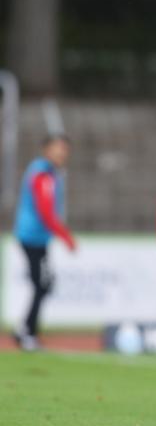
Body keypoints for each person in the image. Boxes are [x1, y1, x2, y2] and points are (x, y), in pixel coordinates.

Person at [12, 134, 77, 351]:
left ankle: (26, 329)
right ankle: (27, 332)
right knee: (42, 284)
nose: (62, 153)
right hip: (32, 237)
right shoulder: (43, 174)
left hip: (37, 237)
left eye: (65, 149)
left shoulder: (47, 172)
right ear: (46, 150)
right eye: (59, 149)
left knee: (43, 284)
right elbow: (45, 210)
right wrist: (65, 235)